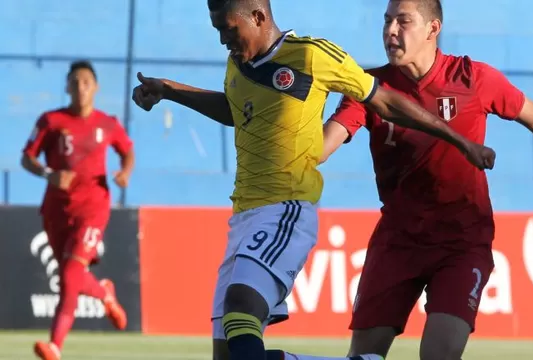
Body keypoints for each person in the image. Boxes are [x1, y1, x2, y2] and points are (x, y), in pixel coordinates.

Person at [131, 1, 498, 359]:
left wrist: (458, 140)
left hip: (284, 209)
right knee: (229, 352)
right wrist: (170, 89)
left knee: (241, 306)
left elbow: (384, 101)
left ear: (258, 17)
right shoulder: (238, 65)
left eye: (229, 29)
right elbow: (235, 109)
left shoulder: (311, 55)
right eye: (218, 31)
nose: (223, 39)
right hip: (242, 216)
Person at [268, 1, 533, 360]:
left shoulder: (474, 78)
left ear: (432, 29)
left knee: (439, 355)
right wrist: (282, 128)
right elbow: (322, 147)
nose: (390, 31)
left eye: (402, 21)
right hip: (397, 242)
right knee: (363, 357)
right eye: (386, 21)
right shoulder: (370, 88)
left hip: (461, 242)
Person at [22, 60, 133, 360]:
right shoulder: (51, 121)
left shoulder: (107, 124)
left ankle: (55, 346)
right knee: (71, 275)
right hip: (56, 210)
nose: (80, 88)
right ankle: (105, 293)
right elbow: (27, 158)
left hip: (93, 208)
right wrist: (49, 174)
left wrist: (125, 172)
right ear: (67, 87)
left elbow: (127, 150)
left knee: (71, 273)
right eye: (75, 82)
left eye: (86, 82)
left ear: (95, 87)